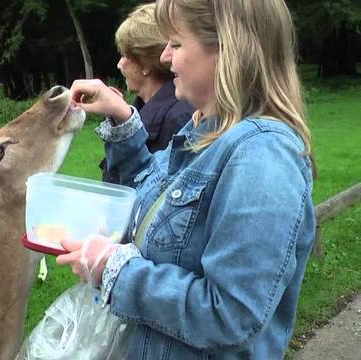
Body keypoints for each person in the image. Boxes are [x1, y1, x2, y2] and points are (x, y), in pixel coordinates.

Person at [58, 0, 316, 358]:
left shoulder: (263, 156)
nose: (164, 57)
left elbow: (232, 315)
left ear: (227, 49)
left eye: (176, 44)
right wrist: (121, 117)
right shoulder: (207, 130)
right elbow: (155, 199)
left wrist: (115, 271)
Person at [101, 3, 193, 183]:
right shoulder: (136, 111)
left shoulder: (179, 118)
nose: (119, 64)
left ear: (145, 64)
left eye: (126, 56)